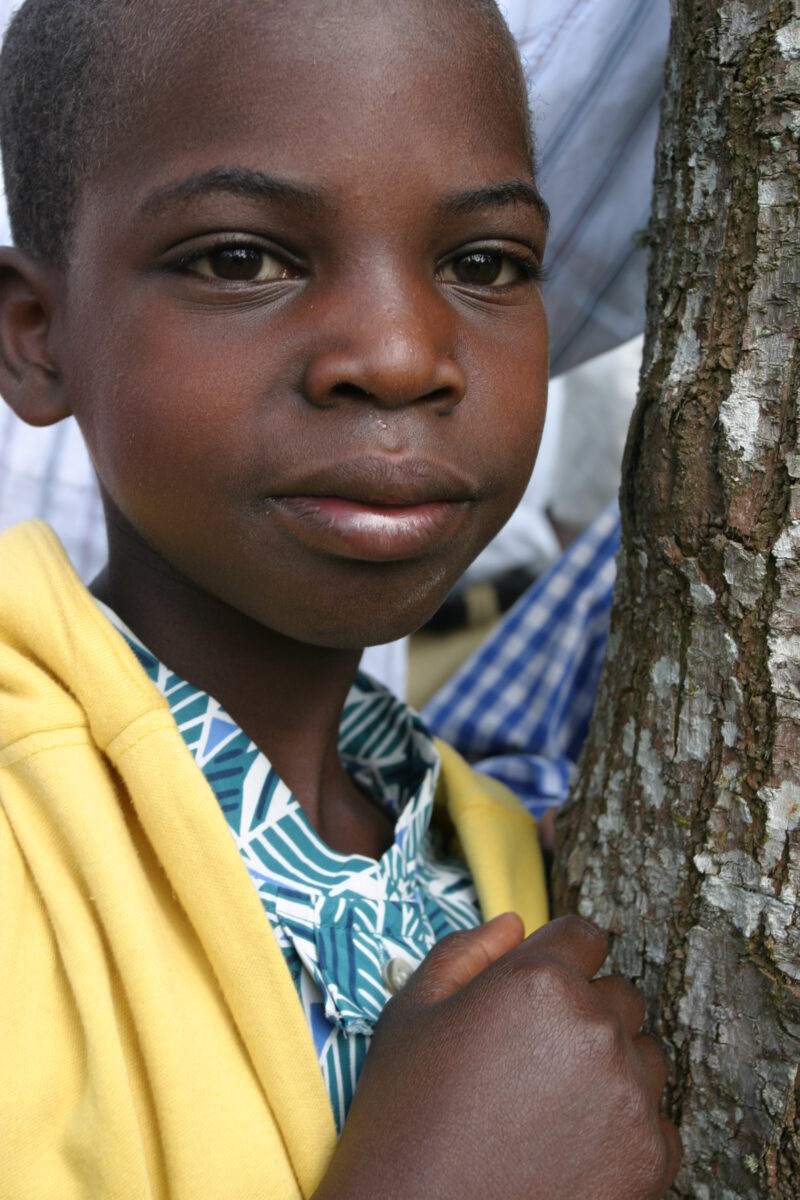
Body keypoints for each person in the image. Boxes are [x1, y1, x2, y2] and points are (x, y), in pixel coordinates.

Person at [0, 1, 680, 1197]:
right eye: (239, 259)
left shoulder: (500, 862)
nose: (400, 355)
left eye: (483, 265)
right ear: (36, 337)